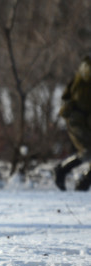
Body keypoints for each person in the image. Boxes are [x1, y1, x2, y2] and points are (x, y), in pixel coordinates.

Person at [54, 54, 91, 191]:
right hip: (77, 118)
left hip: (86, 119)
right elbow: (87, 73)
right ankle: (62, 170)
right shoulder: (87, 65)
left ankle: (84, 183)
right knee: (88, 152)